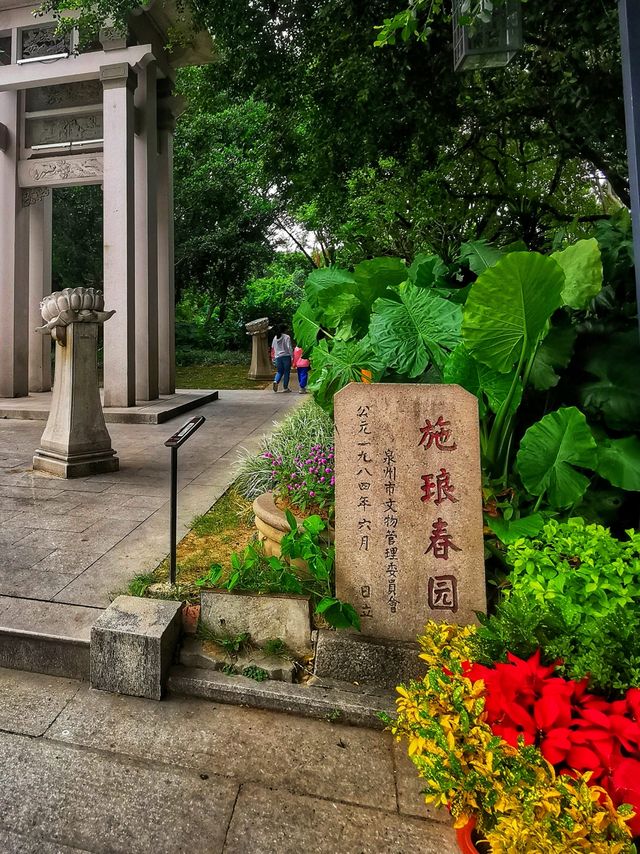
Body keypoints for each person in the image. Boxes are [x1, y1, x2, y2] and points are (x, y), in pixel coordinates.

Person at [270, 325, 293, 393]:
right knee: (286, 372)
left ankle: (276, 381)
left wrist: (273, 358)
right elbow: (289, 347)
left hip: (278, 357)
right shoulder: (287, 337)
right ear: (285, 330)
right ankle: (285, 388)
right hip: (286, 356)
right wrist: (292, 357)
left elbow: (273, 348)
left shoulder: (275, 337)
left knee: (279, 371)